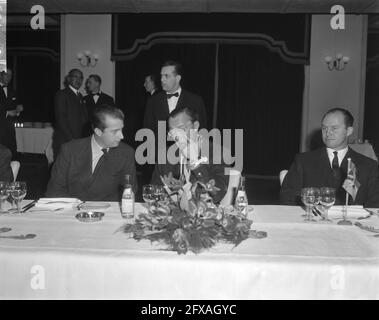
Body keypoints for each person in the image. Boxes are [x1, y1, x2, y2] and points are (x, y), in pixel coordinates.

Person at [280, 108, 379, 207]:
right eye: (324, 128)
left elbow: (374, 204)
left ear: (349, 131)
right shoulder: (303, 161)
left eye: (334, 128)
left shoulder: (368, 166)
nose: (328, 133)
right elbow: (288, 198)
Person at [46, 104, 137, 201]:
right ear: (98, 131)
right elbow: (54, 191)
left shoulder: (126, 153)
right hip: (73, 211)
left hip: (107, 212)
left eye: (121, 129)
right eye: (115, 131)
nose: (122, 136)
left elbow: (130, 192)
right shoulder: (69, 151)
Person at [151, 107, 228, 204]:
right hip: (172, 214)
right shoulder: (165, 155)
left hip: (206, 214)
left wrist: (196, 164)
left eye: (181, 129)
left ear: (195, 126)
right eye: (172, 131)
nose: (177, 136)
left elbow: (217, 194)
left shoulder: (217, 152)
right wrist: (170, 190)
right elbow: (154, 192)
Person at [143, 60, 207, 133]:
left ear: (177, 78)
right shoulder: (153, 101)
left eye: (166, 76)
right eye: (161, 76)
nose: (162, 79)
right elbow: (147, 131)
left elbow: (202, 131)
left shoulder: (196, 101)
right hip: (160, 144)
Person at [53, 69, 88, 156]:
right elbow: (61, 120)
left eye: (81, 78)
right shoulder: (62, 94)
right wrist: (72, 140)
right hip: (66, 140)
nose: (78, 80)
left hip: (79, 140)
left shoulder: (80, 96)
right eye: (75, 77)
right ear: (68, 79)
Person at [0, 68, 23, 159]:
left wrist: (18, 110)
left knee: (11, 151)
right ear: (0, 75)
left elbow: (14, 106)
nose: (9, 77)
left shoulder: (12, 91)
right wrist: (7, 113)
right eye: (7, 74)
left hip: (9, 128)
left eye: (11, 75)